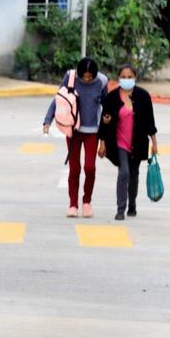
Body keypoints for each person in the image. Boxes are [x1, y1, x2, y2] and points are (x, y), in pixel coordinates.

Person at [43, 57, 109, 218]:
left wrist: (104, 140)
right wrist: (47, 120)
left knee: (90, 168)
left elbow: (107, 108)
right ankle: (73, 204)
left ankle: (87, 202)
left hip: (92, 131)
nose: (86, 79)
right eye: (84, 76)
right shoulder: (70, 77)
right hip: (73, 130)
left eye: (89, 76)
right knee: (74, 168)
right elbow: (58, 99)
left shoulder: (102, 81)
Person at [98, 64, 159, 220]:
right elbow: (104, 122)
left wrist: (154, 143)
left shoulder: (143, 96)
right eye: (123, 77)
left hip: (137, 142)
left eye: (129, 77)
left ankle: (132, 203)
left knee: (134, 175)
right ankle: (120, 209)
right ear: (118, 78)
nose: (126, 80)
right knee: (123, 172)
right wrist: (102, 143)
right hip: (118, 143)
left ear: (135, 77)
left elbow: (150, 121)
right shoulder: (111, 98)